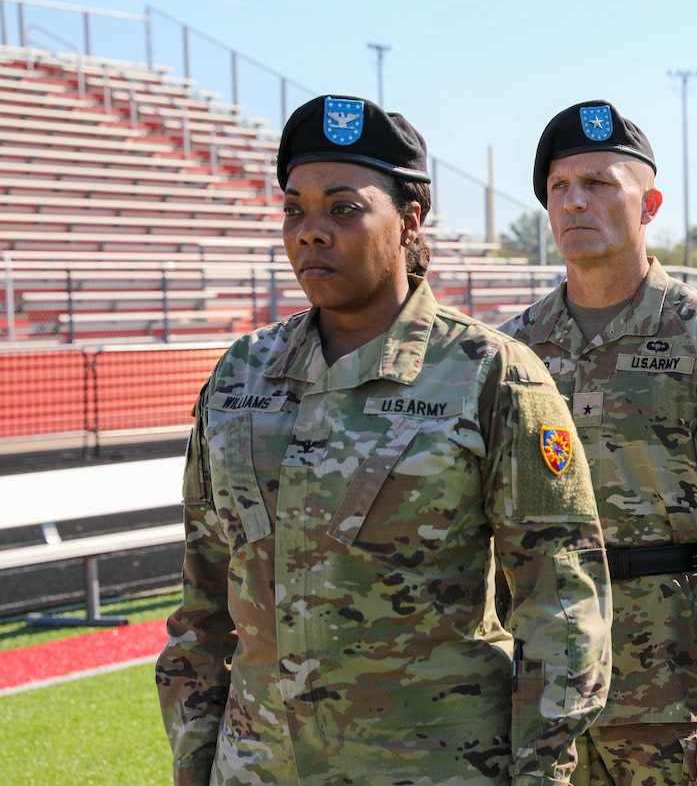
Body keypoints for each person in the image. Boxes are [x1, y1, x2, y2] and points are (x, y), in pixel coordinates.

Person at [155, 94, 613, 786]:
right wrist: (195, 763)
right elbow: (202, 603)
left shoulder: (490, 376)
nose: (311, 231)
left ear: (410, 221)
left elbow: (563, 604)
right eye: (294, 208)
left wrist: (542, 771)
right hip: (257, 768)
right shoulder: (239, 376)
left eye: (343, 209)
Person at [500, 100, 697, 786]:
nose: (575, 202)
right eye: (559, 187)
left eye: (600, 183)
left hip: (673, 698)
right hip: (537, 688)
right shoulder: (511, 352)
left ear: (650, 204)